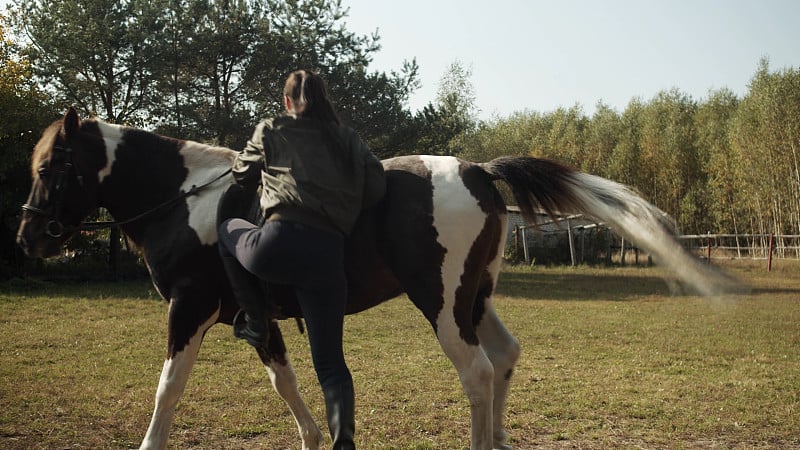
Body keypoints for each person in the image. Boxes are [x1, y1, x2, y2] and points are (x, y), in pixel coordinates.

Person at [217, 69, 386, 450]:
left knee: (227, 227)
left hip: (275, 245)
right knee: (331, 365)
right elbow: (377, 186)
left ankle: (256, 319)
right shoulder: (349, 139)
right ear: (325, 100)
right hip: (328, 256)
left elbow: (240, 172)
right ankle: (343, 444)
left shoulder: (272, 127)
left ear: (288, 102)